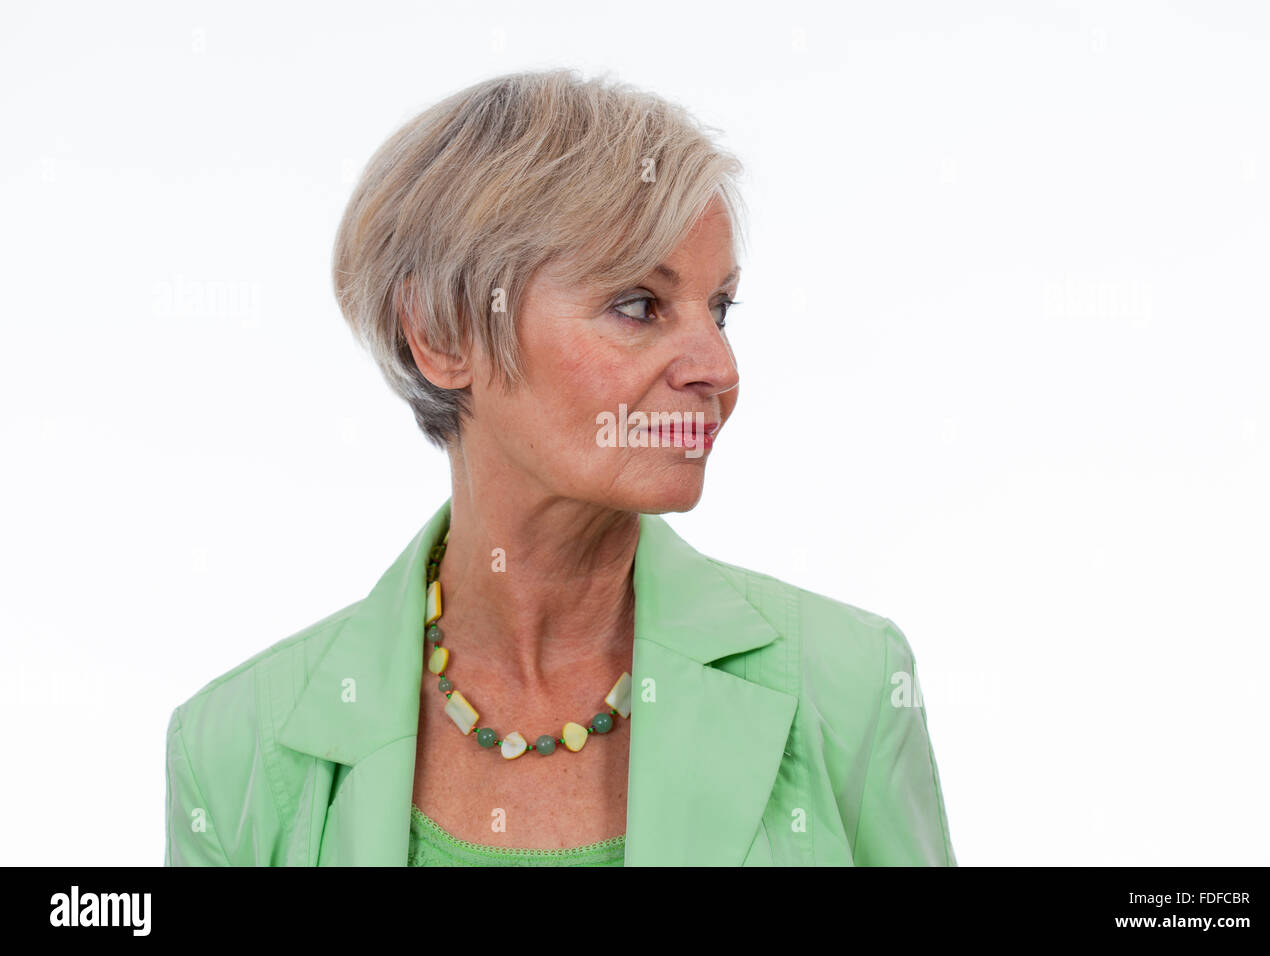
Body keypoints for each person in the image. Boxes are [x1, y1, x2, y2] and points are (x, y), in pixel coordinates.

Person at [163, 68, 956, 866]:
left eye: (720, 309)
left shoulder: (848, 687)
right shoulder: (237, 748)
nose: (717, 366)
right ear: (441, 333)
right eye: (640, 305)